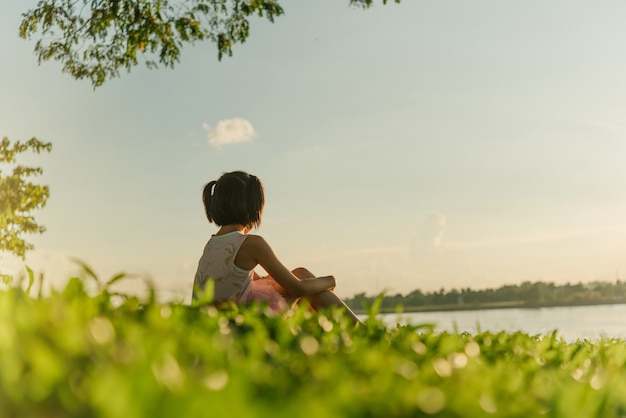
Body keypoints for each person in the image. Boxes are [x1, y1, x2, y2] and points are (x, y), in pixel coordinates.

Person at [192, 170, 361, 324]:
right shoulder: (252, 244)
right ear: (254, 207)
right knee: (305, 281)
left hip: (217, 320)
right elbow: (297, 288)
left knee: (299, 274)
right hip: (240, 324)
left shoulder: (213, 244)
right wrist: (331, 280)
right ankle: (358, 330)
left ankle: (326, 332)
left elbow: (241, 281)